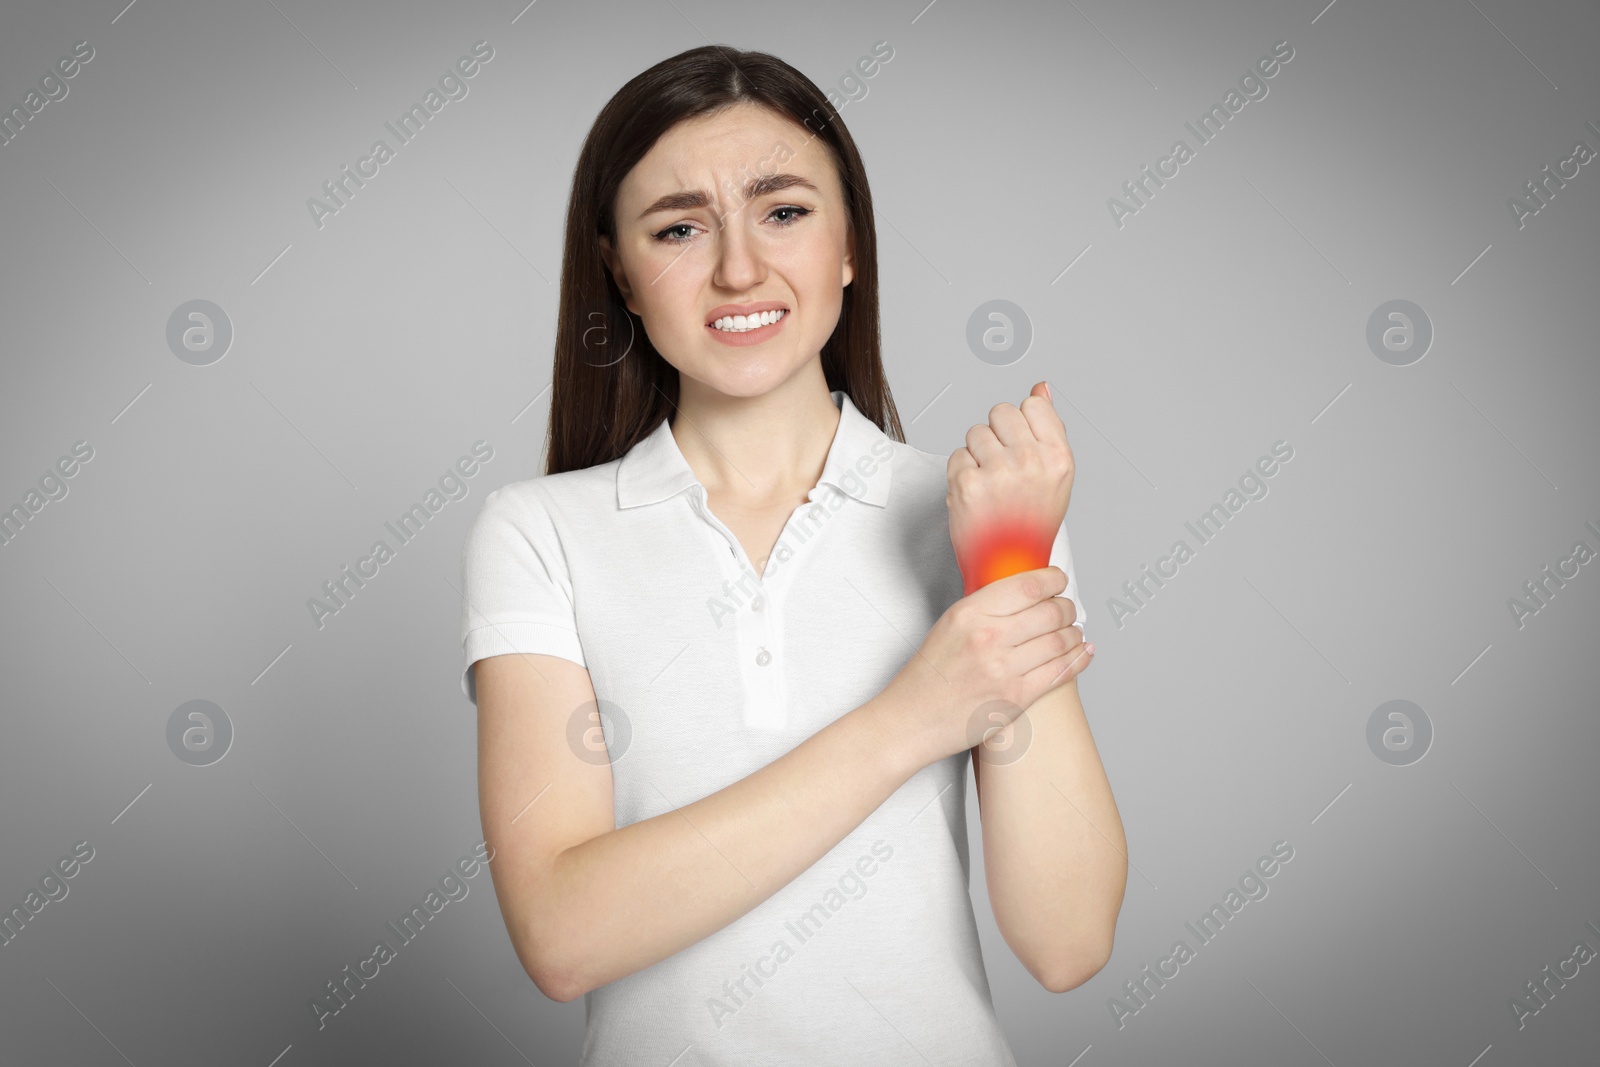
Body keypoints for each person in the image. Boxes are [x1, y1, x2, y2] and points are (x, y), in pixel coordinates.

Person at [458, 44, 1127, 1066]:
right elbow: (562, 934)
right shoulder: (538, 531)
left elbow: (1067, 939)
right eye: (679, 227)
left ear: (850, 244)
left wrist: (1006, 564)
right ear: (621, 275)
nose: (737, 268)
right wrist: (913, 716)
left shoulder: (977, 512)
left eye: (784, 211)